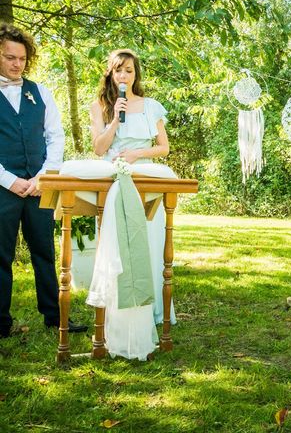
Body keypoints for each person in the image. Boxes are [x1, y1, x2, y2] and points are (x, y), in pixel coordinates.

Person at [0, 23, 87, 338]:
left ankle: (55, 316)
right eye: (10, 57)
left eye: (21, 58)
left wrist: (44, 177)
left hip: (40, 187)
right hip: (3, 189)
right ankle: (0, 323)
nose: (16, 64)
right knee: (1, 255)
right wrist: (9, 181)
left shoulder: (41, 92)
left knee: (45, 253)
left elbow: (55, 137)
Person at [88, 49, 175, 359]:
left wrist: (138, 154)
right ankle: (117, 316)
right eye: (118, 71)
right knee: (119, 247)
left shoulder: (151, 107)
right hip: (114, 174)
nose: (124, 76)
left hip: (144, 175)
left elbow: (163, 148)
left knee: (149, 246)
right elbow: (99, 149)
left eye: (129, 71)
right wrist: (114, 120)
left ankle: (151, 313)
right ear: (111, 74)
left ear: (136, 75)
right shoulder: (100, 106)